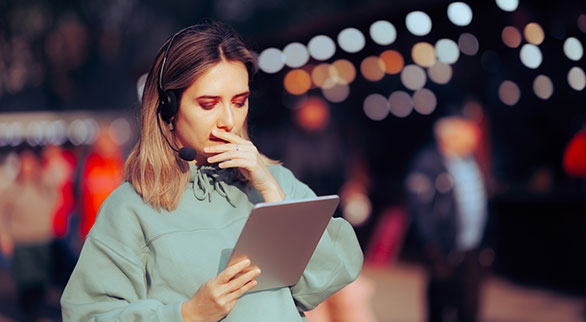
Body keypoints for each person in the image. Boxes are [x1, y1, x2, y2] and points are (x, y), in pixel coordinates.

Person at [60, 20, 363, 322]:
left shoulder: (277, 182)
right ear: (168, 108)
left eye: (239, 101)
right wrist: (186, 315)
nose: (228, 120)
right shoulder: (130, 207)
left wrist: (272, 191)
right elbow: (88, 316)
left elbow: (330, 276)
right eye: (209, 104)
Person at [405, 116, 491, 322]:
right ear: (449, 138)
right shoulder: (428, 163)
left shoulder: (470, 161)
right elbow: (420, 209)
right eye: (467, 138)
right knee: (440, 305)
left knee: (469, 305)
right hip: (442, 249)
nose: (473, 142)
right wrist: (432, 247)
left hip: (471, 246)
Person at [0, 149, 60, 321]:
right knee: (26, 281)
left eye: (30, 162)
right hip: (22, 241)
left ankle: (38, 311)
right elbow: (2, 214)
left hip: (43, 240)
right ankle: (29, 313)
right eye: (24, 163)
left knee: (41, 280)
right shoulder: (13, 190)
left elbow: (57, 195)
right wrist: (5, 237)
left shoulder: (44, 186)